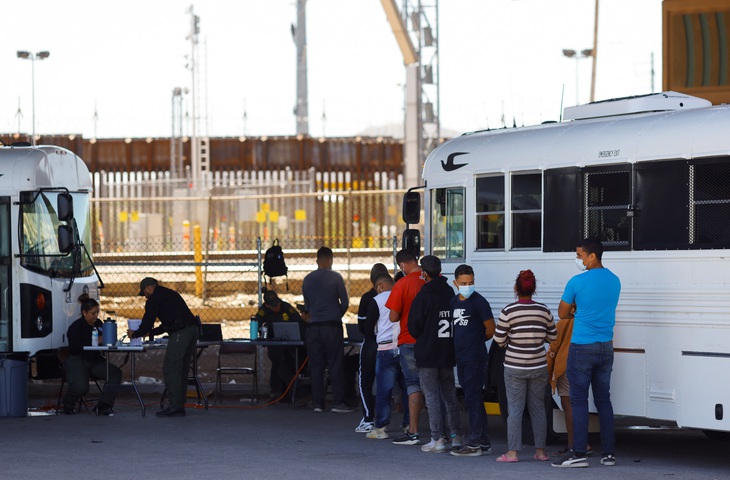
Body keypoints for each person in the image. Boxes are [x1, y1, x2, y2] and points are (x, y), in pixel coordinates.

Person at [553, 238, 621, 468]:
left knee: (579, 400)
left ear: (592, 256)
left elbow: (562, 313)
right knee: (604, 400)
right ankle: (609, 454)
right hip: (606, 346)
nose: (578, 260)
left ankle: (578, 453)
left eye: (580, 255)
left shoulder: (577, 281)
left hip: (582, 346)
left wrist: (575, 309)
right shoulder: (614, 280)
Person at [494, 270, 557, 463]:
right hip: (538, 365)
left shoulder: (508, 311)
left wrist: (511, 341)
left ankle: (513, 453)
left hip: (514, 366)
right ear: (534, 288)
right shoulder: (543, 310)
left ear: (516, 288)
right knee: (538, 408)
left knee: (515, 409)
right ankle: (540, 452)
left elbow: (499, 340)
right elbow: (552, 337)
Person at [408, 255, 462, 453]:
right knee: (450, 395)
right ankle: (456, 436)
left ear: (424, 273)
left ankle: (437, 438)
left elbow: (413, 327)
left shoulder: (423, 296)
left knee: (431, 396)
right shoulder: (450, 292)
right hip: (447, 353)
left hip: (428, 354)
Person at [128, 277, 199, 417]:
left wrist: (136, 334)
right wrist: (150, 333)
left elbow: (148, 320)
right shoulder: (169, 294)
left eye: (144, 294)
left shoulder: (154, 299)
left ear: (148, 288)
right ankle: (179, 404)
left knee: (171, 368)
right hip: (192, 330)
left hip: (181, 332)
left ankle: (175, 406)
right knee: (182, 369)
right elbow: (167, 324)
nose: (145, 297)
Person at [450, 264, 495, 457]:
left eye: (471, 282)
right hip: (461, 358)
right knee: (472, 399)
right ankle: (483, 442)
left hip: (475, 358)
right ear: (455, 283)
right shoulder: (453, 302)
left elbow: (491, 329)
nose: (467, 286)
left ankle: (474, 443)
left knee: (473, 400)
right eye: (463, 283)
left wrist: (475, 342)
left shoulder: (479, 302)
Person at [301, 246, 352, 413]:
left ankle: (318, 403)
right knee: (335, 364)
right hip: (332, 326)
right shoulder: (336, 278)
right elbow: (344, 302)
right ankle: (338, 403)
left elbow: (307, 306)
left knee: (316, 365)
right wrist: (336, 314)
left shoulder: (307, 279)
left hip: (314, 327)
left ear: (316, 260)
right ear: (331, 260)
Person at [385, 249, 425, 445]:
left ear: (401, 265)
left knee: (413, 385)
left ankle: (413, 431)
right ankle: (443, 433)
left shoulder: (402, 283)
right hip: (431, 342)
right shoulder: (432, 278)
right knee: (436, 386)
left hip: (409, 340)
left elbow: (393, 316)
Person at [365, 274, 410, 440]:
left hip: (385, 349)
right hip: (404, 346)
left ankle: (381, 427)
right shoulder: (404, 295)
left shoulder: (377, 299)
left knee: (384, 390)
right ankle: (409, 425)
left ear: (379, 286)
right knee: (408, 388)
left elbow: (368, 326)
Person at [62, 294, 121, 416]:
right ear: (84, 312)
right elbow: (75, 347)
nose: (96, 316)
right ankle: (68, 404)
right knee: (81, 387)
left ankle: (104, 405)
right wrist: (96, 341)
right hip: (78, 360)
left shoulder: (99, 324)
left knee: (115, 373)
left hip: (94, 360)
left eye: (97, 313)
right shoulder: (76, 327)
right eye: (93, 313)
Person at [546, 306, 593, 457]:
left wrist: (548, 372)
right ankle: (582, 443)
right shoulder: (589, 321)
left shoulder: (563, 323)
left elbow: (554, 347)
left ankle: (575, 445)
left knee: (569, 406)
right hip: (585, 365)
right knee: (581, 404)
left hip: (566, 366)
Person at [355, 263, 389, 433]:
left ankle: (369, 418)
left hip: (372, 342)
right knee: (392, 382)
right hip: (393, 344)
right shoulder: (398, 295)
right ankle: (405, 423)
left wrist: (371, 333)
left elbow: (362, 325)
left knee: (365, 380)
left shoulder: (369, 297)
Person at [255, 289, 305, 403]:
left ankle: (283, 392)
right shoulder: (263, 311)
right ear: (267, 305)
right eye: (273, 305)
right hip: (274, 344)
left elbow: (298, 320)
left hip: (291, 343)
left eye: (277, 303)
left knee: (286, 364)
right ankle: (280, 392)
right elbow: (258, 325)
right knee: (279, 362)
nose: (277, 306)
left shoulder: (286, 307)